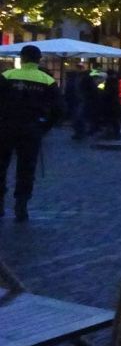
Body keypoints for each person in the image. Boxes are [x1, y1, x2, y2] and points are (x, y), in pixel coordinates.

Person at [0, 46, 64, 221]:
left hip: (6, 127)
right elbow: (59, 109)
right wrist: (45, 127)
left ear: (22, 58)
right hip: (31, 128)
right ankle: (21, 205)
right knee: (26, 168)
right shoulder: (47, 80)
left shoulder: (7, 76)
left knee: (1, 165)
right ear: (39, 59)